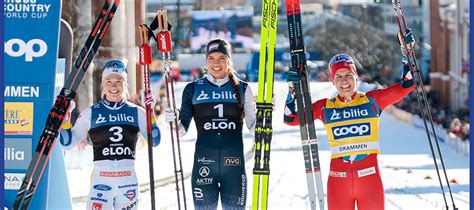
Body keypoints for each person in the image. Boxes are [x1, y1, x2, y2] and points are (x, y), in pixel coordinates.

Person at [283, 31, 416, 210]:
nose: (344, 81)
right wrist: (292, 89)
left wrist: (407, 53)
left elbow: (406, 86)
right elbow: (290, 118)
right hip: (338, 183)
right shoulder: (325, 107)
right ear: (333, 81)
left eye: (348, 75)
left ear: (356, 77)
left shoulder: (372, 101)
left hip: (369, 182)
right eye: (338, 76)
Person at [165, 38, 256, 209]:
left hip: (234, 168)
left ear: (229, 60)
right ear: (206, 61)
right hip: (203, 166)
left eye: (222, 58)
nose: (216, 63)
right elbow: (181, 131)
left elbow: (254, 129)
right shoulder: (193, 89)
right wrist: (172, 121)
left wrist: (265, 117)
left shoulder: (243, 89)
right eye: (211, 58)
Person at [60, 60, 161, 210]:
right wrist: (65, 117)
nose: (113, 85)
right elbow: (67, 143)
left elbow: (154, 141)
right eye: (109, 80)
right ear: (103, 84)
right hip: (101, 180)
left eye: (119, 81)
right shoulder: (91, 112)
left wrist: (150, 112)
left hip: (128, 180)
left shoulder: (137, 112)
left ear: (125, 84)